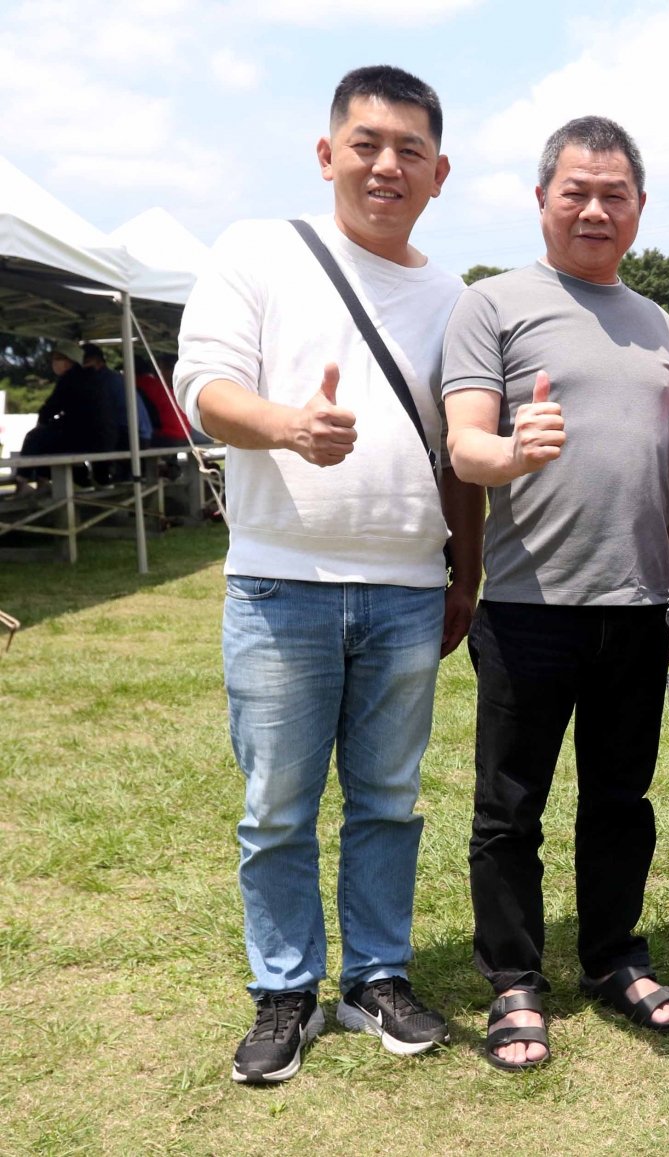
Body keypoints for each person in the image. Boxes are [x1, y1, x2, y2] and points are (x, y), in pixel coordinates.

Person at [175, 65, 483, 1086]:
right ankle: (285, 989)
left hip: (408, 587)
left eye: (409, 150)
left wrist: (465, 574)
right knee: (277, 804)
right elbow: (203, 386)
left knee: (390, 799)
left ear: (439, 172)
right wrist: (287, 425)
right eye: (366, 144)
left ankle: (377, 975)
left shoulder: (455, 297)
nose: (386, 165)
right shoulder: (257, 250)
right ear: (326, 153)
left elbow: (460, 453)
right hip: (280, 582)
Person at [441, 115, 669, 1072]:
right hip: (526, 607)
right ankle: (514, 978)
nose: (595, 210)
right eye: (575, 192)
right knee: (510, 807)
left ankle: (613, 956)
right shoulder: (492, 304)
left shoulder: (657, 321)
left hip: (636, 606)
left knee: (621, 798)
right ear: (542, 199)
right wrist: (515, 450)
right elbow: (465, 446)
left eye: (614, 194)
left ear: (639, 207)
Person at [19, 341, 116, 477]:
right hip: (104, 437)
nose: (53, 363)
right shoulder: (93, 377)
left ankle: (24, 479)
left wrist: (41, 423)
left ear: (69, 361)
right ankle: (80, 480)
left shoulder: (70, 378)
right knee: (55, 442)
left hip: (84, 438)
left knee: (34, 438)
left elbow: (50, 408)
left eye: (56, 358)